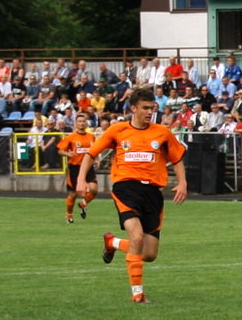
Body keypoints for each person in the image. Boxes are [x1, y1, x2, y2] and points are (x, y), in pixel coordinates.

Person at [77, 87, 187, 304]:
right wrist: (81, 180)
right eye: (145, 108)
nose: (149, 112)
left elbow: (177, 159)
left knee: (149, 253)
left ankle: (113, 243)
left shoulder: (162, 133)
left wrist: (182, 182)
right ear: (133, 108)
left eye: (152, 108)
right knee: (136, 237)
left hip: (153, 193)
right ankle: (138, 294)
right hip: (126, 188)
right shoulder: (117, 131)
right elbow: (91, 154)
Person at [57, 113, 98, 223]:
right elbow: (60, 150)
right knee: (73, 194)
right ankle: (69, 215)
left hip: (88, 167)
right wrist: (67, 154)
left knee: (94, 189)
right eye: (79, 121)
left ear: (86, 123)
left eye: (83, 121)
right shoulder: (70, 137)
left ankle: (83, 204)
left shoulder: (91, 137)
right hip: (75, 167)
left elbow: (94, 150)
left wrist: (97, 159)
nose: (81, 123)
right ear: (76, 124)